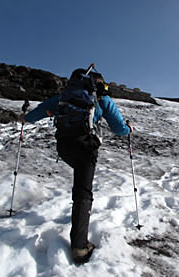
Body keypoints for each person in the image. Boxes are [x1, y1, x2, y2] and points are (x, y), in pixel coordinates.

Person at [19, 68, 133, 264]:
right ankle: (79, 247)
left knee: (79, 180)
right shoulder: (101, 99)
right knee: (82, 192)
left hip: (64, 147)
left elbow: (38, 112)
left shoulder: (65, 96)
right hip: (85, 148)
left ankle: (78, 218)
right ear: (98, 83)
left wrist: (24, 119)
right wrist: (128, 128)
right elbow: (119, 128)